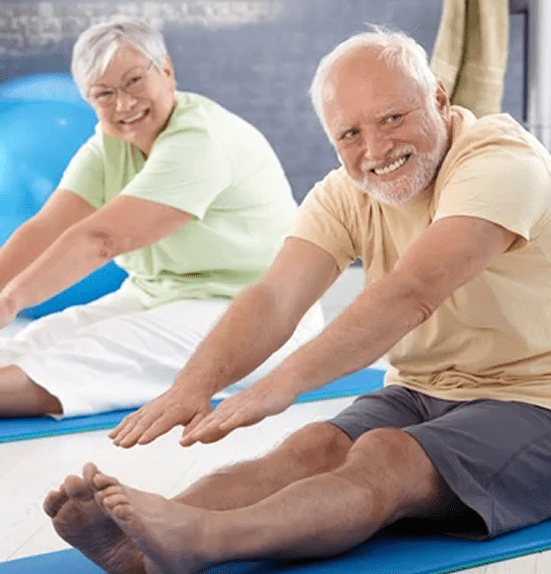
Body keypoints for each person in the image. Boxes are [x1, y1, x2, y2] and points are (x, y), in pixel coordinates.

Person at [45, 24, 551, 574]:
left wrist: (279, 384)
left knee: (388, 456)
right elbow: (275, 296)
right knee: (308, 449)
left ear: (438, 98)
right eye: (350, 134)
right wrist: (196, 385)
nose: (376, 149)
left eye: (393, 118)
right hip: (425, 388)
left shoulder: (500, 161)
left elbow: (412, 294)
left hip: (535, 399)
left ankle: (206, 541)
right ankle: (138, 541)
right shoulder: (344, 192)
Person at [0, 17, 323, 418]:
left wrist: (11, 300)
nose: (124, 104)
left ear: (166, 70)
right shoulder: (110, 146)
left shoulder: (200, 139)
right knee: (36, 340)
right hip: (161, 295)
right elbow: (47, 228)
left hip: (258, 312)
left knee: (93, 354)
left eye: (135, 81)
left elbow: (103, 240)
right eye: (104, 93)